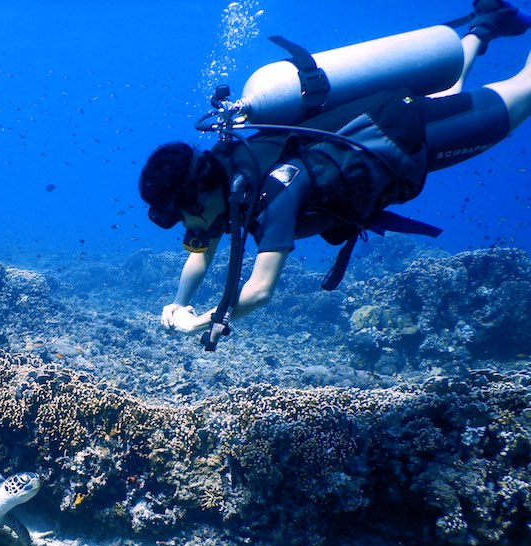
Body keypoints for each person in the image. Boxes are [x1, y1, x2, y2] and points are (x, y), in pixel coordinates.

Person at [139, 0, 531, 339]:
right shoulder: (223, 174)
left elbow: (259, 291)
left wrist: (198, 324)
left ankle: (486, 29)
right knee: (450, 94)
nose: (187, 229)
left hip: (406, 133)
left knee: (524, 93)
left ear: (197, 194)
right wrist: (178, 305)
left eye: (182, 215)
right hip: (380, 118)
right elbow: (201, 253)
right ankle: (485, 22)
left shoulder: (273, 189)